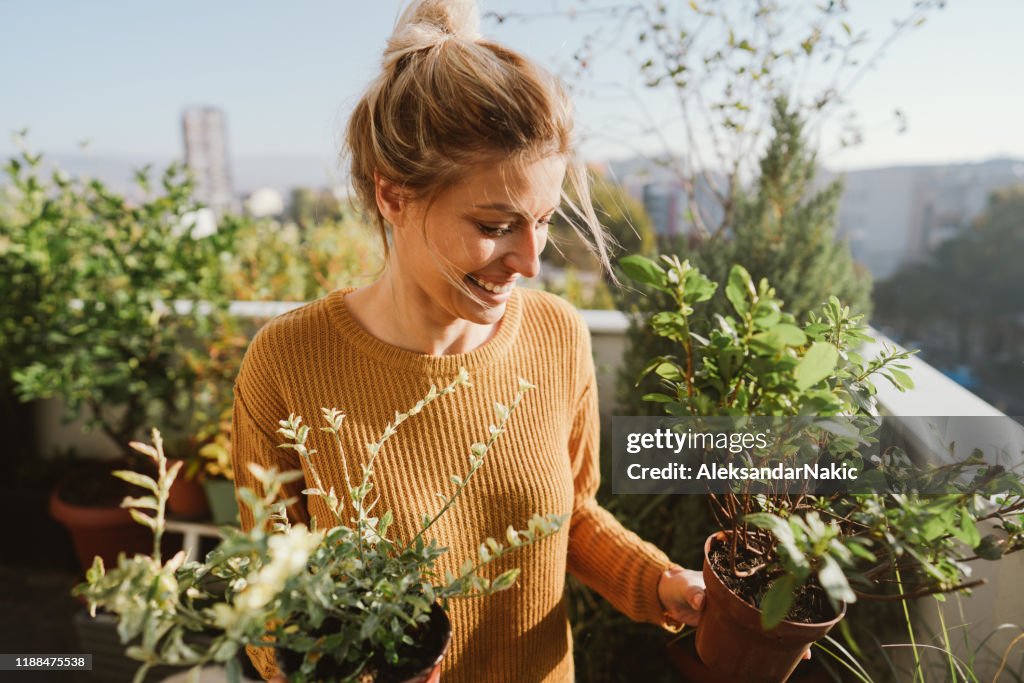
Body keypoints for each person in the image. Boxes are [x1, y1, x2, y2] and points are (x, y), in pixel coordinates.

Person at [231, 1, 706, 681]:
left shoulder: (557, 335)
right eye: (494, 224)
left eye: (541, 221)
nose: (530, 260)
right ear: (392, 196)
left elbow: (570, 517)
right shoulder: (287, 362)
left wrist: (664, 582)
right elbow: (264, 601)